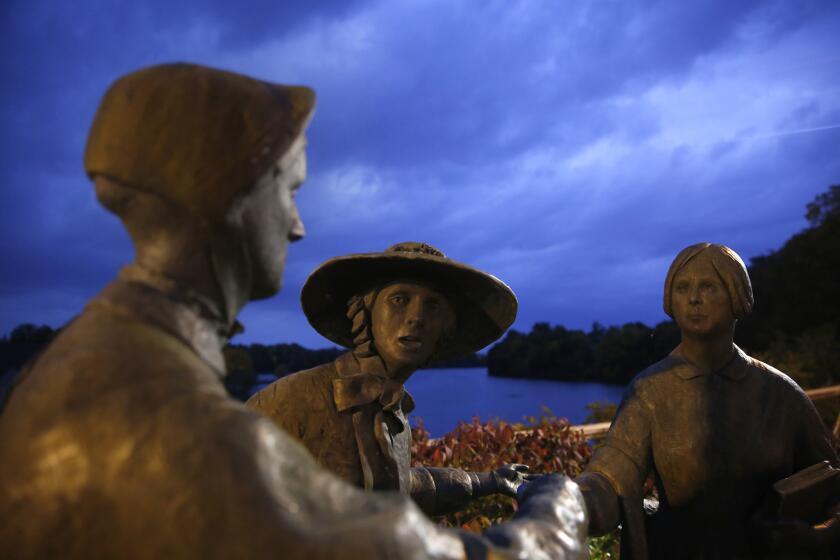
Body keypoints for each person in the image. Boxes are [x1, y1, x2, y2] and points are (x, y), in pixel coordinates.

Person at [0, 63, 588, 559]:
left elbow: (375, 494)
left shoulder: (107, 361)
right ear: (226, 194)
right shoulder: (174, 413)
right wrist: (556, 518)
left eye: (433, 308)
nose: (297, 225)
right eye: (289, 190)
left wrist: (484, 480)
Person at [576, 242, 839, 559]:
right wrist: (565, 502)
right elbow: (612, 476)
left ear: (737, 296)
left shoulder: (780, 395)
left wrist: (816, 538)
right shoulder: (650, 391)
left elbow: (832, 486)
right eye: (683, 288)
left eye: (708, 286)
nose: (694, 299)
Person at [247, 241, 529, 515]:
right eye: (399, 300)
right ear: (365, 313)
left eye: (433, 306)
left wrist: (491, 481)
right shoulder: (291, 399)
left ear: (445, 330)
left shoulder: (395, 416)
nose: (416, 317)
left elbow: (401, 491)